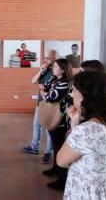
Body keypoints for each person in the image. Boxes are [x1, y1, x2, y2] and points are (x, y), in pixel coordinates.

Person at [57, 71, 106, 199]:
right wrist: (76, 125)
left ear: (85, 95)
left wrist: (75, 127)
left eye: (75, 90)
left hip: (88, 194)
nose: (72, 94)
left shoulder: (86, 131)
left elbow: (61, 160)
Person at [40, 58, 73, 191]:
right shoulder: (54, 79)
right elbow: (43, 85)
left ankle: (62, 179)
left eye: (55, 66)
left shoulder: (65, 83)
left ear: (63, 69)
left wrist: (43, 92)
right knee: (55, 145)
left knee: (59, 147)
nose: (53, 68)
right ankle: (55, 168)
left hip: (60, 120)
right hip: (52, 115)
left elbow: (49, 96)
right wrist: (44, 89)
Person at [21, 50, 58, 164]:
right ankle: (34, 147)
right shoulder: (45, 70)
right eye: (45, 58)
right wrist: (41, 71)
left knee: (48, 129)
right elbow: (33, 81)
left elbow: (48, 91)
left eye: (49, 58)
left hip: (50, 106)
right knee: (36, 126)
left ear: (55, 59)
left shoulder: (57, 72)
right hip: (40, 103)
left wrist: (42, 88)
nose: (45, 60)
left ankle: (48, 153)